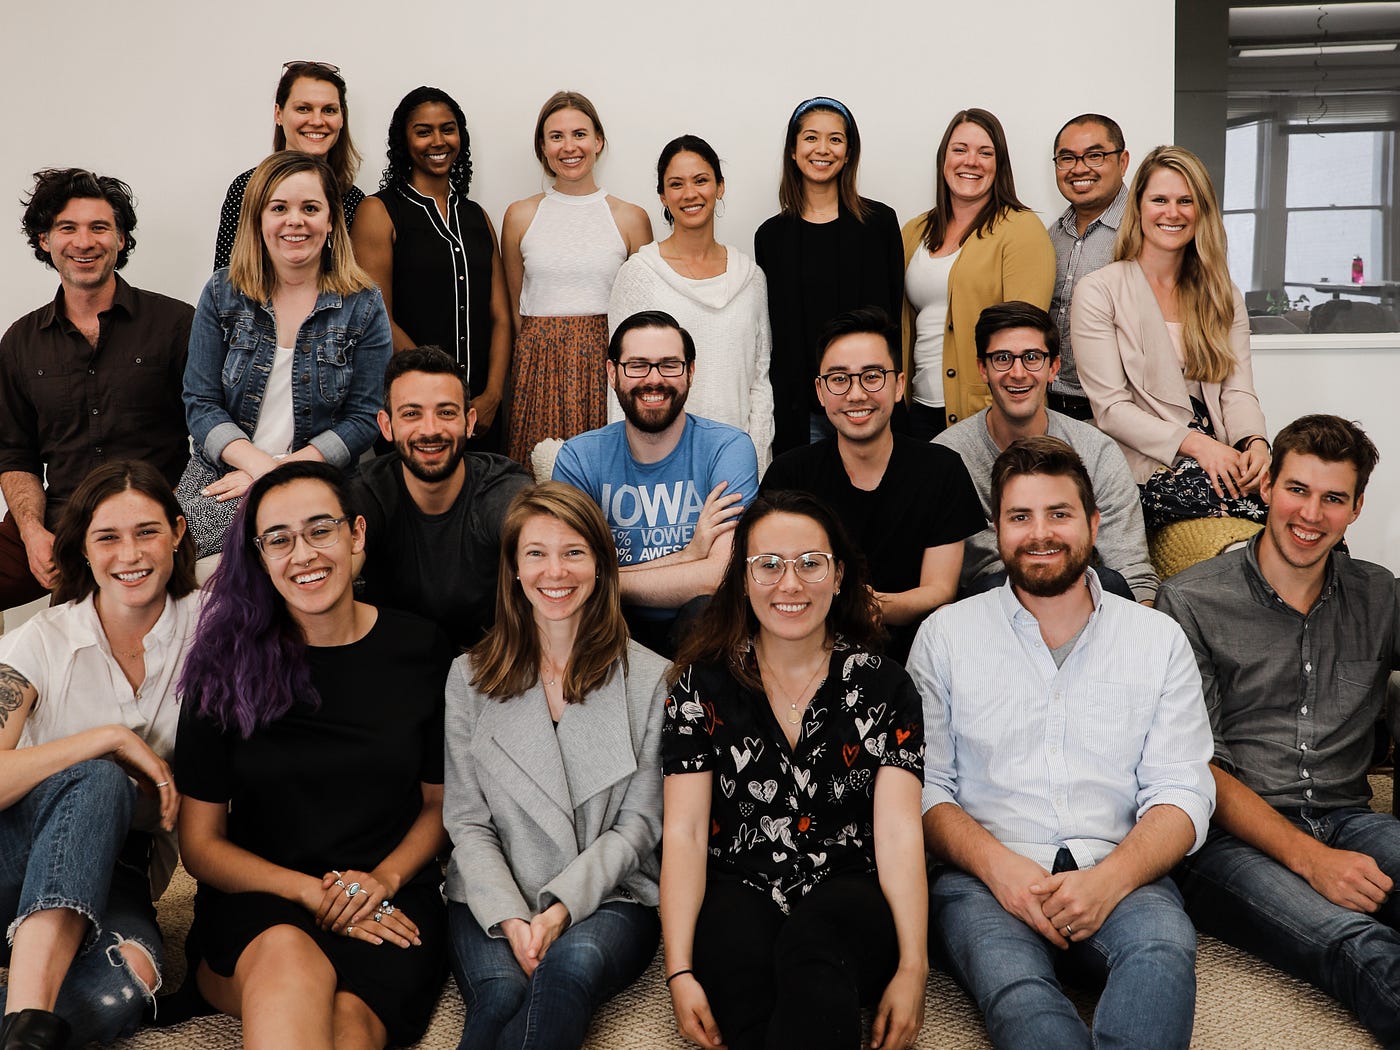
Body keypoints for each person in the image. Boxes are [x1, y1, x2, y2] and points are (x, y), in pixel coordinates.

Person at [909, 436, 1215, 1050]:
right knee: (1017, 991)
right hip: (986, 876)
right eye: (1020, 516)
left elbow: (1182, 792)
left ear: (1094, 524)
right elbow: (927, 791)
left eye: (1059, 514)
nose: (1040, 534)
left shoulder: (1157, 639)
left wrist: (1110, 880)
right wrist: (1002, 871)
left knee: (1162, 952)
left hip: (1121, 866)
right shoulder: (944, 637)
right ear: (997, 530)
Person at [173, 461, 453, 1050]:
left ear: (356, 535)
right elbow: (200, 845)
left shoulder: (421, 646)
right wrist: (310, 892)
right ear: (259, 558)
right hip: (264, 900)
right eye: (278, 539)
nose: (303, 554)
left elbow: (439, 805)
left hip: (387, 895)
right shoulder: (221, 669)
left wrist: (382, 879)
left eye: (320, 530)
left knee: (350, 1030)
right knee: (289, 960)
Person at [1157, 414, 1400, 1046]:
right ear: (1266, 488)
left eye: (1333, 498)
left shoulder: (1380, 595)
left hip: (1350, 818)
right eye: (1297, 489)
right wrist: (1314, 862)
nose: (1311, 514)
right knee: (1359, 944)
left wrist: (1333, 851)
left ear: (1356, 508)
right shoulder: (1190, 601)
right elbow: (1196, 767)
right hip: (1228, 841)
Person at [660, 490, 927, 1050]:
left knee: (814, 953)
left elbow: (900, 832)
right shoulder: (699, 685)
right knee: (740, 970)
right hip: (738, 882)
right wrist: (678, 970)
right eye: (768, 565)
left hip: (850, 887)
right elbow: (685, 832)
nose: (790, 584)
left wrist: (914, 967)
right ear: (742, 579)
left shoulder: (885, 685)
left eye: (811, 563)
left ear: (839, 576)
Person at [443, 482, 667, 1050]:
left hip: (609, 895)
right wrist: (512, 918)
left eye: (573, 552)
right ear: (514, 570)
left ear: (600, 564)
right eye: (536, 553)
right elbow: (467, 821)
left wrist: (560, 910)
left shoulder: (652, 679)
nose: (555, 571)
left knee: (566, 974)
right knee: (498, 995)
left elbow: (638, 826)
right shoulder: (468, 678)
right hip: (494, 891)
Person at [0, 461, 199, 1049]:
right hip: (14, 853)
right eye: (107, 537)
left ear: (177, 533)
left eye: (147, 531)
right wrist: (106, 739)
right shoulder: (42, 640)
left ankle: (20, 1032)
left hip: (120, 870)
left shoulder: (211, 629)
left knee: (130, 979)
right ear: (83, 549)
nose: (129, 554)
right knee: (100, 778)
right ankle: (30, 1016)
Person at [179, 151, 392, 559]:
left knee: (304, 560)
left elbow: (365, 417)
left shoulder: (363, 303)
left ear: (331, 221)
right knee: (173, 558)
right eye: (279, 208)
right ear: (258, 219)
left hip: (320, 478)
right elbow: (201, 403)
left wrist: (281, 473)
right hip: (223, 475)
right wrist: (261, 469)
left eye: (310, 208)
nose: (295, 220)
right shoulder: (222, 292)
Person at [0, 169, 192, 612]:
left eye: (99, 228)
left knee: (84, 624)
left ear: (121, 239)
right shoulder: (20, 342)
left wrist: (181, 520)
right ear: (45, 240)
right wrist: (32, 532)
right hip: (59, 518)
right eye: (67, 228)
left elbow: (208, 430)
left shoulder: (176, 324)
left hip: (147, 522)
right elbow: (14, 455)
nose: (84, 242)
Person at [761, 306, 982, 661]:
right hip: (810, 643)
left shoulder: (942, 469)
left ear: (899, 385)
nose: (856, 394)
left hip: (915, 649)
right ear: (820, 391)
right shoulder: (789, 475)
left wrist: (873, 606)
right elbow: (774, 579)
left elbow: (939, 590)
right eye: (839, 379)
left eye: (872, 376)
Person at [1071, 145, 1269, 531]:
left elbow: (1238, 391)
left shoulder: (1223, 294)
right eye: (1159, 200)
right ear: (1138, 207)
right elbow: (1111, 409)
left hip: (1221, 449)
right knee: (1252, 512)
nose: (1172, 212)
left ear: (1202, 210)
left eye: (1185, 201)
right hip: (1146, 458)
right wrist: (1198, 446)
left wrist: (1255, 444)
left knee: (1297, 498)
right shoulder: (1099, 291)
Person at [552, 311, 757, 658]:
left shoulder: (727, 448)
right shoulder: (580, 458)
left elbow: (721, 575)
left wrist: (603, 579)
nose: (654, 379)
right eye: (637, 366)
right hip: (607, 625)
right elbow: (569, 573)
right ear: (612, 373)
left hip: (699, 631)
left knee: (706, 610)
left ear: (690, 372)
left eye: (669, 365)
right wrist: (689, 555)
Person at [936, 301, 1155, 602]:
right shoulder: (947, 457)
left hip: (1085, 599)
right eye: (1002, 358)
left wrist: (1144, 624)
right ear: (982, 369)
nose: (1018, 373)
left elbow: (1131, 569)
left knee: (1111, 583)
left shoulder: (1097, 451)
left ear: (1053, 367)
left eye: (1032, 358)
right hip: (991, 607)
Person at [351, 86, 512, 450]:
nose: (438, 141)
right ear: (403, 141)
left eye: (448, 129)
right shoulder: (379, 211)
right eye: (423, 131)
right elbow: (377, 315)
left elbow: (501, 317)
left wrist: (492, 396)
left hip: (482, 413)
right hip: (415, 410)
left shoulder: (477, 216)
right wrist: (441, 390)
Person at [502, 90, 652, 471]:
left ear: (598, 141)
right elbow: (515, 306)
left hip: (606, 366)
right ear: (543, 146)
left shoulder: (630, 218)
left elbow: (645, 314)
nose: (569, 147)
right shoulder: (519, 216)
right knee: (542, 481)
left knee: (607, 476)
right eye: (557, 136)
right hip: (538, 367)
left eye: (580, 134)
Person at [608, 134, 774, 471]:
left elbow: (760, 381)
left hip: (734, 460)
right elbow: (621, 383)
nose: (690, 194)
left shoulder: (751, 278)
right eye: (676, 184)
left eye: (701, 180)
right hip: (657, 463)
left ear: (720, 187)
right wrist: (628, 467)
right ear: (663, 196)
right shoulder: (639, 274)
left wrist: (754, 462)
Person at [352, 346, 532, 649]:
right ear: (386, 425)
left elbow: (531, 533)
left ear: (469, 422)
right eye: (411, 414)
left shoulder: (500, 484)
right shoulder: (368, 489)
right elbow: (337, 561)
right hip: (395, 660)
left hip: (490, 658)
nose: (430, 430)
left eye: (446, 412)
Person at [755, 97, 903, 456]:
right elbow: (777, 334)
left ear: (849, 153)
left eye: (835, 139)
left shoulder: (879, 224)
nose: (822, 149)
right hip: (801, 413)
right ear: (793, 151)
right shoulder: (771, 237)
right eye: (811, 138)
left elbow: (891, 320)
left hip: (868, 401)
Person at [900, 108, 1055, 436]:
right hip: (919, 408)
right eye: (960, 149)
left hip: (988, 412)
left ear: (999, 165)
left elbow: (1025, 334)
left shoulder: (1021, 229)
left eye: (985, 153)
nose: (971, 161)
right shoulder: (914, 231)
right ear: (944, 159)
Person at [213, 61, 363, 271]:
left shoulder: (355, 200)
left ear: (342, 118)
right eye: (303, 109)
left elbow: (357, 282)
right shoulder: (247, 188)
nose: (317, 121)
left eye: (329, 110)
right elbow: (226, 279)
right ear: (279, 114)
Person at [1047, 114, 1131, 421]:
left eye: (1095, 156)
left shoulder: (1145, 230)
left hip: (1120, 410)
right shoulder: (1053, 235)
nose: (1079, 168)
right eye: (1067, 158)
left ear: (1123, 161)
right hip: (1050, 405)